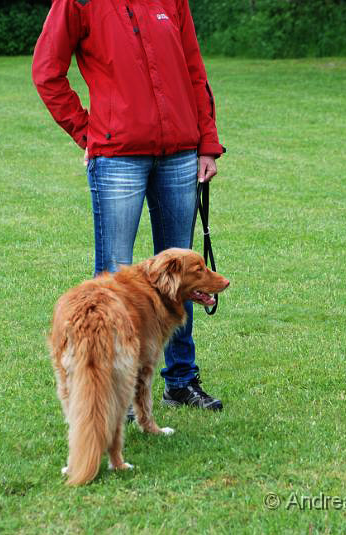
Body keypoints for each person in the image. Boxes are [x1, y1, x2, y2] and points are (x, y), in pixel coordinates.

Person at [32, 0, 226, 411]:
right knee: (113, 280)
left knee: (183, 279)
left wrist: (206, 142)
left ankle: (181, 381)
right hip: (117, 158)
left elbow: (195, 71)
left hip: (179, 155)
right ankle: (109, 391)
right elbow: (47, 71)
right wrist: (87, 131)